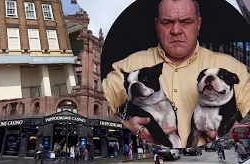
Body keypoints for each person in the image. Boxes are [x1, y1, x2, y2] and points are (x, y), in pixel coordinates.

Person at [102, 0, 250, 148]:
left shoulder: (235, 69)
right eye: (167, 22)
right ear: (157, 25)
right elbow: (99, 103)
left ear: (198, 24)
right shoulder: (127, 66)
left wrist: (234, 133)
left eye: (186, 22)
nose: (176, 30)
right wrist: (125, 126)